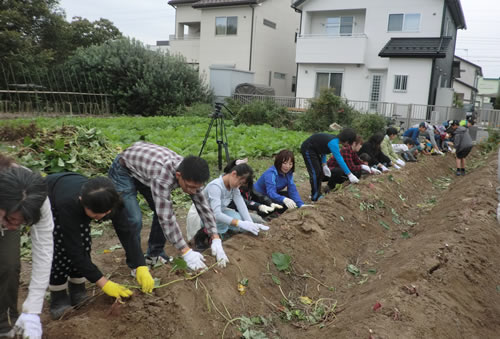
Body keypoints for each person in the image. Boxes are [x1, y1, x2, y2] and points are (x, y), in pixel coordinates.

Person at [46, 173, 155, 319]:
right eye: (96, 214)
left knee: (85, 243)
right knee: (62, 249)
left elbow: (126, 231)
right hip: (50, 200)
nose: (101, 216)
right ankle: (58, 296)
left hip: (78, 200)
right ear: (81, 201)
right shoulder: (68, 204)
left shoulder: (111, 199)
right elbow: (74, 250)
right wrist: (104, 283)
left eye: (105, 213)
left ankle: (77, 288)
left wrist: (140, 265)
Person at [108, 141, 228, 271]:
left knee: (161, 210)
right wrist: (186, 251)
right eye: (190, 187)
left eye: (197, 188)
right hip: (124, 168)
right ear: (178, 176)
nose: (193, 191)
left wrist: (215, 237)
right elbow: (166, 217)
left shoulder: (192, 175)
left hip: (146, 168)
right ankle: (137, 265)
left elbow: (203, 206)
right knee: (133, 220)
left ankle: (154, 255)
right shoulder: (162, 178)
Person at [0, 157, 53, 339]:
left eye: (22, 222)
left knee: (8, 264)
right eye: (12, 221)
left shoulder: (36, 197)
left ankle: (5, 325)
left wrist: (33, 309)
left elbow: (44, 247)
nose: (16, 227)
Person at [187, 162, 269, 250]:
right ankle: (203, 235)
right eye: (240, 182)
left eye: (241, 184)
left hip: (216, 212)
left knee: (237, 217)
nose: (239, 186)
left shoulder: (234, 187)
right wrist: (239, 223)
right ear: (234, 174)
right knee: (232, 220)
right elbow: (216, 214)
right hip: (201, 215)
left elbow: (241, 205)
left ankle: (221, 232)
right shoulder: (216, 186)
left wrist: (250, 223)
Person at [300, 129, 359, 202]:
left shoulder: (334, 140)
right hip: (308, 149)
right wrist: (349, 174)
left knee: (319, 172)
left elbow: (322, 149)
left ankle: (315, 193)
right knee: (315, 172)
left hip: (314, 150)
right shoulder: (333, 143)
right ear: (347, 141)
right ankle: (315, 196)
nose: (348, 145)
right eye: (349, 143)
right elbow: (339, 159)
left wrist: (324, 165)